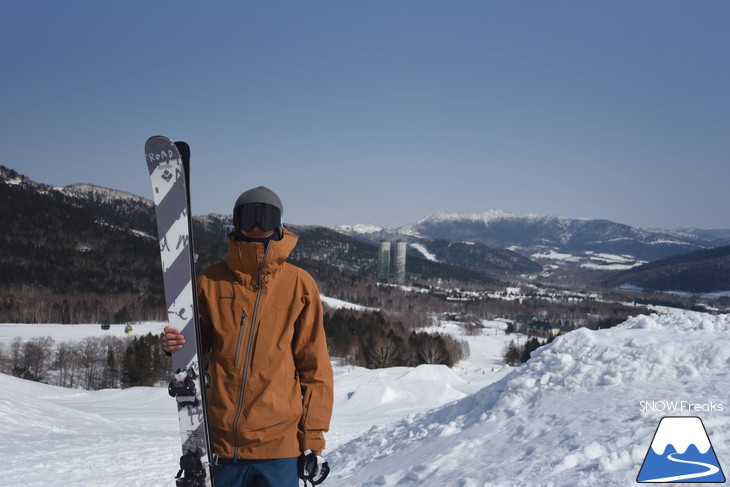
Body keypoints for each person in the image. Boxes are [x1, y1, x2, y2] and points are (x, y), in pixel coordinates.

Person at [162, 186, 334, 487]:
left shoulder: (299, 284)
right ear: (235, 223)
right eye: (249, 217)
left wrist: (313, 437)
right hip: (221, 442)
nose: (257, 226)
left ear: (278, 225)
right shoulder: (209, 282)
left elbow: (315, 368)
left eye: (265, 218)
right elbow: (193, 347)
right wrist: (174, 344)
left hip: (279, 443)